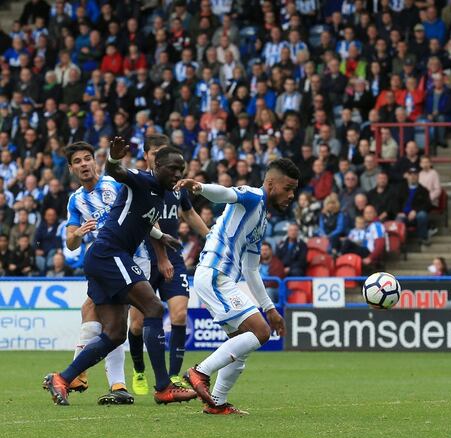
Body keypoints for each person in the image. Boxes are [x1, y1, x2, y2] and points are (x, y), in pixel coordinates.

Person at [44, 138, 196, 406]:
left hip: (107, 257)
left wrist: (162, 237)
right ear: (155, 165)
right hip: (110, 254)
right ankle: (163, 386)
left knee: (115, 333)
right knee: (153, 307)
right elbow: (117, 171)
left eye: (180, 171)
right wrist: (113, 159)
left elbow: (138, 219)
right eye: (172, 169)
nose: (177, 175)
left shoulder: (160, 192)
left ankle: (63, 378)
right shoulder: (141, 179)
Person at [178, 158, 298, 415]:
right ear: (270, 183)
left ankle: (217, 403)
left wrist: (270, 308)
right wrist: (199, 187)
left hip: (222, 278)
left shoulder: (261, 220)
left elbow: (252, 269)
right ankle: (200, 371)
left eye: (294, 190)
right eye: (287, 188)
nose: (291, 195)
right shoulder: (254, 196)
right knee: (260, 333)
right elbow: (226, 194)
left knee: (243, 342)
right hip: (214, 272)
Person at [127, 135, 210, 395]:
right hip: (142, 257)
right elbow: (147, 222)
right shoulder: (140, 183)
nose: (164, 158)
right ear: (147, 155)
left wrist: (211, 238)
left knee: (179, 314)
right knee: (137, 323)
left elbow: (188, 213)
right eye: (157, 153)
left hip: (173, 255)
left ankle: (174, 376)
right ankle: (139, 370)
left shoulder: (176, 186)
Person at [395, 167, 433, 245]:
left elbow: (427, 205)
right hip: (403, 215)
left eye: (415, 175)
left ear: (418, 176)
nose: (413, 176)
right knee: (399, 218)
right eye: (410, 174)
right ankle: (399, 243)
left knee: (422, 215)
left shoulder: (423, 190)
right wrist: (399, 212)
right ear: (407, 176)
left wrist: (415, 211)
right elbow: (395, 203)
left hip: (416, 215)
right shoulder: (400, 189)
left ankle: (422, 238)